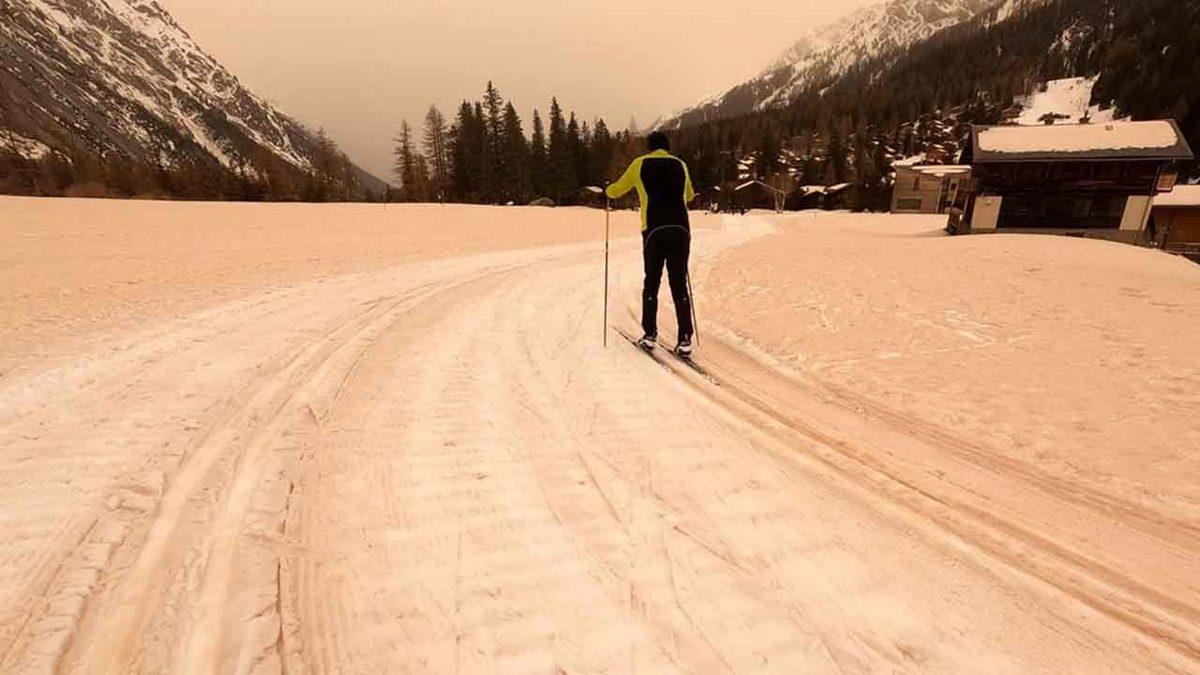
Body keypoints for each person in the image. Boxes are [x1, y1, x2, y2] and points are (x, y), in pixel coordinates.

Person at [605, 131, 697, 356]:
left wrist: (607, 189)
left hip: (654, 230)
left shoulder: (639, 164)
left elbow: (617, 190)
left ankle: (650, 335)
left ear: (650, 147)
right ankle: (685, 337)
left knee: (652, 281)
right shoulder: (680, 164)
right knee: (678, 283)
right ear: (667, 148)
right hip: (680, 229)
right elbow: (690, 196)